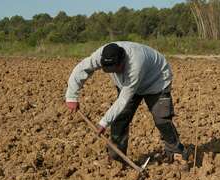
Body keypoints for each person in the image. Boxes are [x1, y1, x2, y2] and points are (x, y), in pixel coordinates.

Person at [65, 41, 193, 163]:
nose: (114, 72)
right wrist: (71, 97)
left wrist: (103, 122)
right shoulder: (101, 55)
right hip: (127, 84)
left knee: (162, 119)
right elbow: (81, 69)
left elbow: (124, 99)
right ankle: (116, 157)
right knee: (120, 119)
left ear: (123, 61)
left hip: (156, 81)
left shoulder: (136, 63)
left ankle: (176, 152)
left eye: (117, 68)